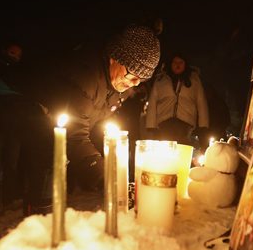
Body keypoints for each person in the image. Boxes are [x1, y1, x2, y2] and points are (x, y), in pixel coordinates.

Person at [10, 25, 160, 214]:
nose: (135, 83)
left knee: (56, 198)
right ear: (115, 58)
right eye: (132, 74)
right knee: (43, 198)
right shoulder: (85, 76)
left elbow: (95, 124)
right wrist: (103, 174)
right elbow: (75, 132)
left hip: (63, 144)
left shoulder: (117, 86)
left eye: (142, 79)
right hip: (43, 131)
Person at [145, 51, 209, 147]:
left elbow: (201, 102)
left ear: (185, 64)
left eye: (180, 62)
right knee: (166, 151)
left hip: (185, 123)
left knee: (182, 150)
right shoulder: (161, 80)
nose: (177, 65)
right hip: (164, 122)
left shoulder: (194, 80)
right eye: (175, 62)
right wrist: (151, 126)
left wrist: (203, 125)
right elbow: (152, 103)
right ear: (170, 64)